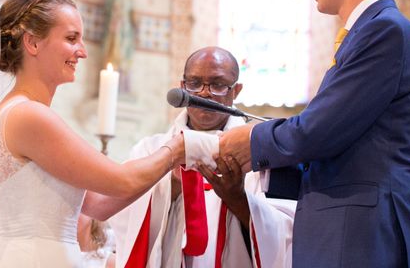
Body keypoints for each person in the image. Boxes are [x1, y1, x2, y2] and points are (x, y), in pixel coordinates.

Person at [219, 0, 410, 267]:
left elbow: (318, 131)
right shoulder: (367, 33)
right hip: (347, 231)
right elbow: (338, 148)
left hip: (365, 237)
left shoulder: (385, 30)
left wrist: (251, 141)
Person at [0, 0, 186, 268]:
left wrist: (168, 180)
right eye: (71, 38)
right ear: (32, 43)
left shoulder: (18, 111)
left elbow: (100, 203)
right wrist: (177, 148)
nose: (83, 51)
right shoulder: (28, 115)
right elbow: (121, 180)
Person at [109, 47, 295, 267]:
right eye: (195, 83)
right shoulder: (150, 150)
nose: (205, 93)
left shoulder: (259, 154)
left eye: (217, 85)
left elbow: (286, 234)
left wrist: (237, 199)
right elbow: (123, 220)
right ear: (182, 88)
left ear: (236, 91)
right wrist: (171, 189)